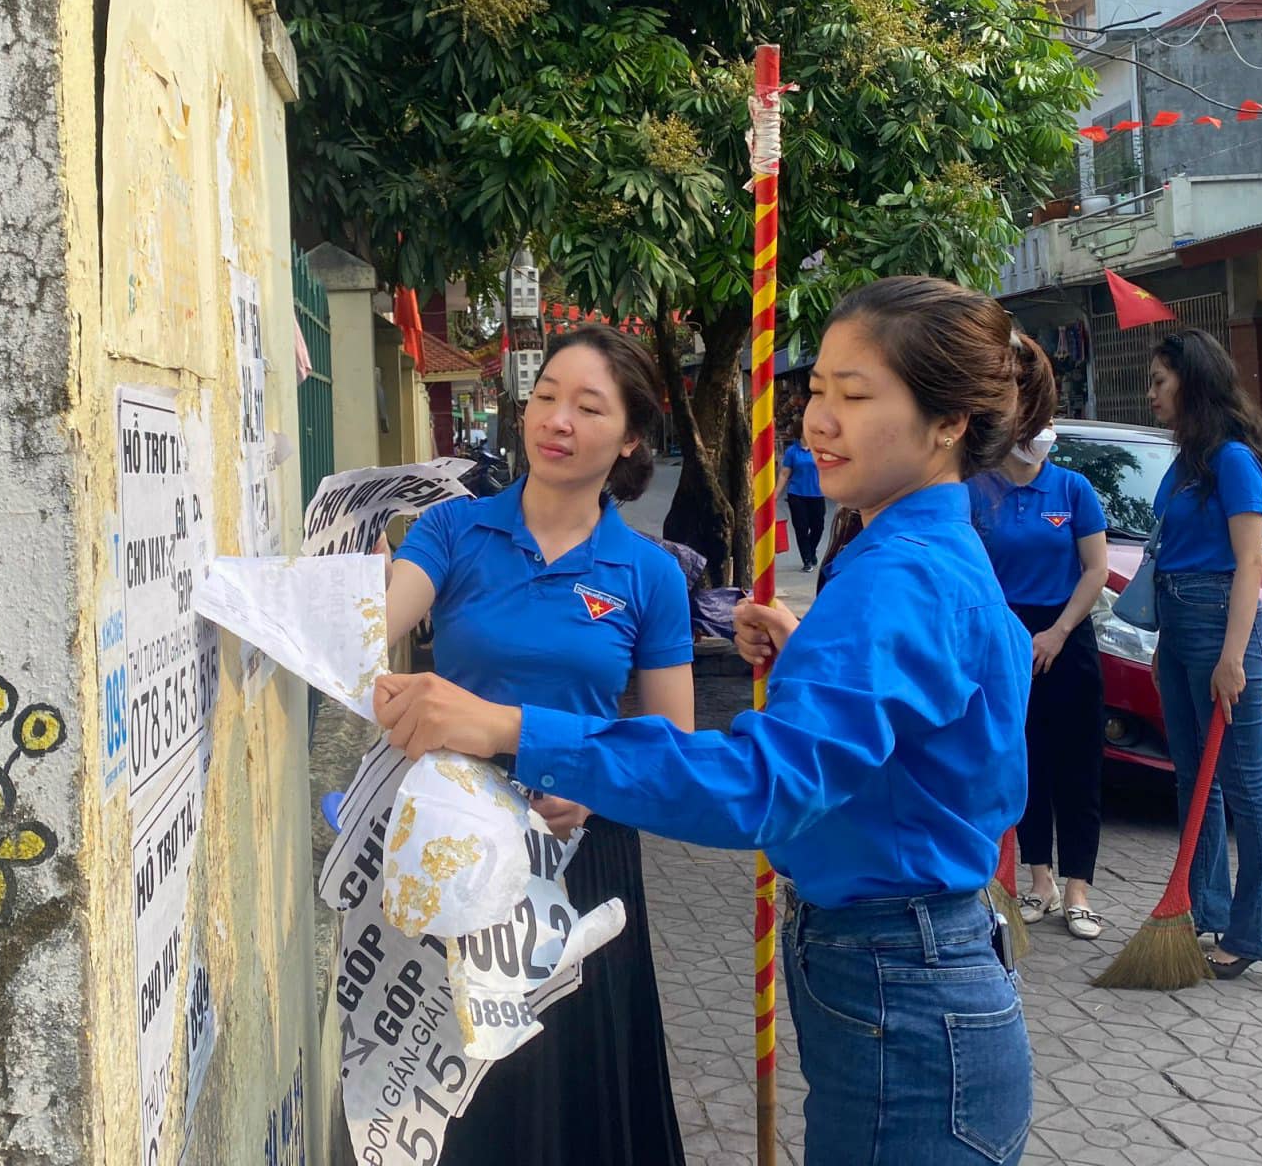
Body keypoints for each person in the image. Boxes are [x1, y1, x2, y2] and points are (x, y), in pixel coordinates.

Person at [375, 276, 1035, 1165]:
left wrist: (511, 730)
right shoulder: (917, 556)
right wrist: (813, 663)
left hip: (901, 994)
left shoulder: (898, 576)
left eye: (854, 396)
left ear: (948, 421)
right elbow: (940, 735)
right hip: (899, 976)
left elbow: (757, 786)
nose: (818, 422)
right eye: (815, 392)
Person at [378, 322, 694, 1166]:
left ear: (630, 438)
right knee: (461, 1084)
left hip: (579, 849)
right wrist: (354, 590)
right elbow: (380, 619)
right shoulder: (453, 532)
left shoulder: (649, 573)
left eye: (589, 407)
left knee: (574, 1077)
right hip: (453, 841)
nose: (557, 420)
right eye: (546, 396)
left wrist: (594, 787)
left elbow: (672, 743)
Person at [1148, 331, 1262, 978]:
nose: (1151, 394)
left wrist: (1233, 657)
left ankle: (1257, 932)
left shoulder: (1234, 460)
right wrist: (1166, 644)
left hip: (1221, 630)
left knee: (1244, 785)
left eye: (1160, 381)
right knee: (1194, 780)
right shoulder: (1188, 462)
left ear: (1192, 382)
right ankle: (1201, 908)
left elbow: (1251, 561)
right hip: (1180, 629)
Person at [967, 337, 1111, 940]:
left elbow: (1096, 571)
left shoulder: (1073, 490)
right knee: (1023, 759)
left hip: (1066, 635)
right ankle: (1040, 880)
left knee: (1077, 762)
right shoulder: (978, 490)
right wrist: (1010, 633)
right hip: (1007, 640)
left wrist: (1057, 632)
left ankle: (1079, 888)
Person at [781, 424, 826, 571]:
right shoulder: (792, 452)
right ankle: (806, 559)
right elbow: (784, 474)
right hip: (797, 494)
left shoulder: (819, 449)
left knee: (818, 527)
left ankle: (811, 551)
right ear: (800, 432)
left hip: (817, 493)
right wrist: (775, 494)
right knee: (801, 528)